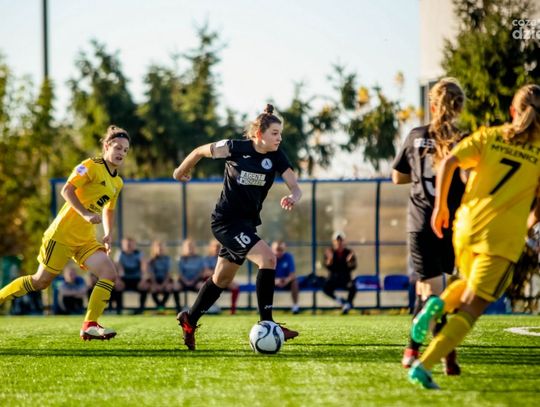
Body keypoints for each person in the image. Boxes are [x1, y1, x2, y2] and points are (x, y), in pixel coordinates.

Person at [408, 84, 540, 389]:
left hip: (466, 227)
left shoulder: (490, 135)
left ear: (512, 110)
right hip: (501, 237)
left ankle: (435, 307)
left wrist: (440, 207)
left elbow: (449, 162)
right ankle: (424, 366)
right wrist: (528, 225)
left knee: (465, 284)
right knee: (473, 306)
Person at [173, 104, 302, 350]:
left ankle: (190, 319)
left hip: (246, 226)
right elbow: (199, 151)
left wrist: (294, 196)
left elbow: (294, 186)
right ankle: (268, 323)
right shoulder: (235, 148)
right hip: (225, 222)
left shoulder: (277, 156)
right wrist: (181, 171)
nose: (279, 138)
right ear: (259, 134)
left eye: (280, 134)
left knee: (221, 279)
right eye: (275, 133)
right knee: (268, 258)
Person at [0, 125, 130, 340]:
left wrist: (108, 233)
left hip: (85, 239)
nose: (121, 153)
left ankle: (90, 324)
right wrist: (85, 214)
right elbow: (66, 190)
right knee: (41, 282)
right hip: (62, 234)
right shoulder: (89, 166)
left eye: (125, 150)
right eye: (117, 147)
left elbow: (109, 209)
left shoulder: (117, 182)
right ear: (107, 146)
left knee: (109, 273)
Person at [392, 78, 466, 372]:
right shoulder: (464, 139)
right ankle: (430, 352)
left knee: (430, 292)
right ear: (459, 108)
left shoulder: (416, 135)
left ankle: (434, 351)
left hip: (421, 222)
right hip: (453, 224)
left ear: (432, 106)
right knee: (433, 290)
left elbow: (397, 176)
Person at [322, 231, 357, 314]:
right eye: (337, 240)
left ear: (344, 241)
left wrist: (349, 262)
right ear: (334, 242)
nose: (339, 242)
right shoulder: (330, 252)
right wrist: (330, 260)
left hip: (345, 279)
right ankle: (340, 301)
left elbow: (353, 267)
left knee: (353, 287)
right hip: (333, 279)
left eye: (341, 240)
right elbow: (327, 267)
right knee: (325, 288)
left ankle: (348, 304)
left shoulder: (349, 252)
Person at [203, 239, 240, 315]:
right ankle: (206, 309)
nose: (216, 248)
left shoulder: (224, 258)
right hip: (212, 280)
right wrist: (220, 273)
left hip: (223, 279)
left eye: (218, 246)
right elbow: (206, 272)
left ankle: (233, 310)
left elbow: (228, 270)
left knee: (235, 286)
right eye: (214, 246)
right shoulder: (206, 259)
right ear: (210, 248)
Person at [116, 237, 151, 314]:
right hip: (124, 279)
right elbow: (117, 268)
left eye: (130, 244)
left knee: (144, 286)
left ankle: (141, 309)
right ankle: (119, 309)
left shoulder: (139, 254)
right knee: (117, 286)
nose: (129, 246)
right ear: (123, 245)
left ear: (134, 245)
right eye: (127, 244)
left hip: (137, 279)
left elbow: (144, 269)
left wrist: (143, 280)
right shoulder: (120, 254)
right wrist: (118, 280)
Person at [148, 240, 179, 312]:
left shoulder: (167, 259)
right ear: (154, 249)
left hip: (165, 280)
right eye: (158, 248)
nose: (160, 249)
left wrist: (163, 285)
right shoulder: (151, 260)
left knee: (169, 287)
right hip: (155, 280)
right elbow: (151, 274)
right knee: (153, 288)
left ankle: (176, 308)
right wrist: (155, 284)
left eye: (161, 248)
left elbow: (168, 273)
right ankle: (159, 306)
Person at [272, 240, 300, 314]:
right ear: (272, 249)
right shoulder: (269, 257)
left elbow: (292, 274)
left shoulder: (289, 257)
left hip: (286, 282)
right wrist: (275, 281)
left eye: (281, 250)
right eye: (277, 250)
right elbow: (265, 275)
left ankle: (295, 307)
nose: (279, 252)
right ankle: (264, 307)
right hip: (272, 282)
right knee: (264, 283)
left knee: (295, 282)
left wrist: (286, 281)